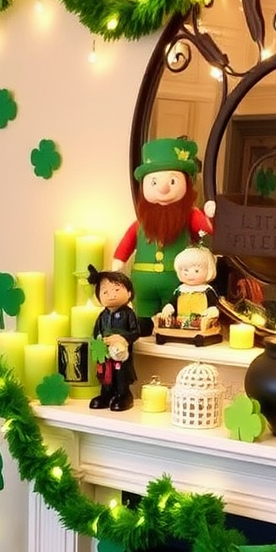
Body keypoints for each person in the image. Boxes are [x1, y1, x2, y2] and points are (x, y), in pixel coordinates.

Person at [113, 137, 215, 330]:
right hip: (142, 287)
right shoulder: (140, 223)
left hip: (176, 285)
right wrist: (117, 264)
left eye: (172, 180)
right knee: (143, 324)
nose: (163, 187)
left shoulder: (190, 216)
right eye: (154, 182)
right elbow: (125, 245)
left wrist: (211, 215)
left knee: (173, 319)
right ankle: (143, 325)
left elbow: (210, 228)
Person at [87, 266, 140, 411]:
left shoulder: (128, 314)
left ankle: (124, 395)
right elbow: (96, 332)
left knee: (120, 373)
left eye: (117, 290)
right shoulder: (102, 316)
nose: (111, 295)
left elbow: (135, 332)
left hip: (121, 353)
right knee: (105, 373)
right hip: (104, 352)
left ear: (129, 293)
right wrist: (98, 342)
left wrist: (122, 338)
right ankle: (106, 394)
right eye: (105, 292)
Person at [154, 245, 224, 342]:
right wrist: (169, 307)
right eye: (185, 270)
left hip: (201, 324)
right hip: (181, 323)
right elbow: (172, 303)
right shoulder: (180, 290)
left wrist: (212, 311)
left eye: (196, 271)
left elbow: (214, 305)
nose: (190, 274)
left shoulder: (206, 290)